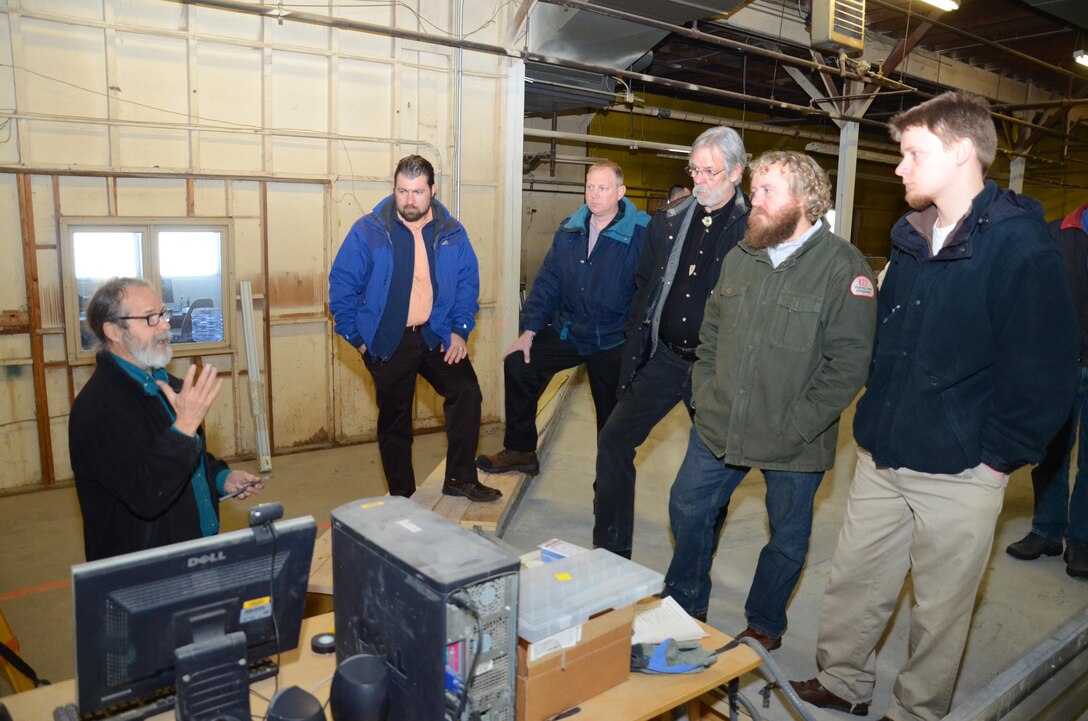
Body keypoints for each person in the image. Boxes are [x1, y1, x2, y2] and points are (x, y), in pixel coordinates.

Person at [791, 91, 1077, 721]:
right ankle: (843, 682)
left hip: (963, 465)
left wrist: (998, 459)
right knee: (854, 580)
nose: (900, 168)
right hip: (885, 448)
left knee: (941, 608)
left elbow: (1045, 373)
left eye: (913, 154)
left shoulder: (1021, 249)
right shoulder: (912, 237)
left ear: (961, 153)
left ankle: (917, 710)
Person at [664, 150, 876, 651]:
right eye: (754, 190)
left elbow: (848, 365)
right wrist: (706, 390)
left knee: (787, 536)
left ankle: (764, 622)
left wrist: (799, 424)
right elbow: (710, 334)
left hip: (793, 438)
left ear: (804, 200)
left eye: (766, 192)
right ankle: (684, 600)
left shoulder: (843, 268)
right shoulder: (742, 256)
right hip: (721, 421)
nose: (752, 201)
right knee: (687, 506)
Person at [593, 126, 750, 559]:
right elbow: (644, 288)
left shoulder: (754, 230)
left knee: (711, 471)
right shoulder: (670, 220)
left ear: (736, 172)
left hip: (712, 369)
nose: (699, 180)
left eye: (710, 172)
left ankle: (694, 563)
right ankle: (610, 551)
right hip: (664, 359)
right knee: (614, 439)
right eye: (694, 170)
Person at [329, 154, 500, 502]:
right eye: (402, 191)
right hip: (388, 342)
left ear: (432, 190)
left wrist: (459, 330)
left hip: (435, 334)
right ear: (394, 189)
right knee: (395, 421)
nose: (409, 200)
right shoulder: (370, 231)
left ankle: (459, 478)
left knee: (466, 392)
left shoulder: (451, 231)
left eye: (418, 192)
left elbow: (468, 283)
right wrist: (360, 341)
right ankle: (401, 498)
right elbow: (342, 286)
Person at [69, 277, 264, 562]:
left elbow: (187, 458)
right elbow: (147, 493)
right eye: (150, 318)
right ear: (113, 330)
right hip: (143, 574)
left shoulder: (164, 383)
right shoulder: (100, 410)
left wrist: (221, 478)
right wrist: (184, 426)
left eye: (163, 313)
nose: (165, 325)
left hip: (193, 555)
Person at [476, 160, 650, 475]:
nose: (594, 195)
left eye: (603, 188)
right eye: (589, 187)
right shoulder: (571, 228)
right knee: (519, 364)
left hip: (612, 338)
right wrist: (529, 332)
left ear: (620, 192)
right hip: (570, 330)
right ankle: (520, 451)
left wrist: (638, 342)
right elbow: (549, 281)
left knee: (611, 418)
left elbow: (648, 291)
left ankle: (608, 485)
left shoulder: (641, 232)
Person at [1006, 202, 1088, 579]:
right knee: (1052, 451)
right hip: (1059, 364)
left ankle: (1082, 539)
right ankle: (1047, 529)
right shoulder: (1057, 233)